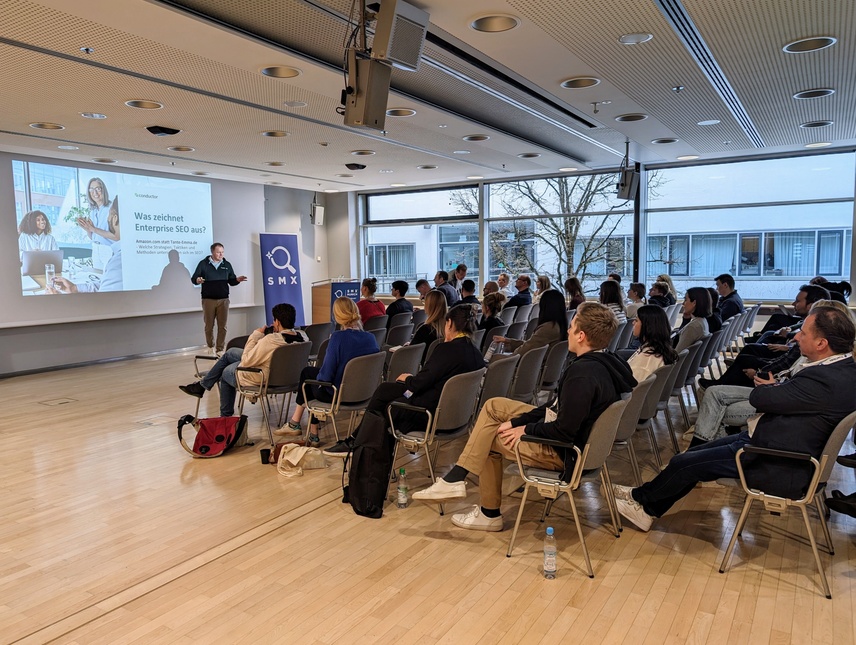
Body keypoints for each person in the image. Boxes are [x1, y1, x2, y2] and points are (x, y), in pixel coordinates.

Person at [614, 305, 856, 532]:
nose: (795, 337)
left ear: (822, 343)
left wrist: (770, 389)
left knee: (683, 464)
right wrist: (775, 389)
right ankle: (643, 502)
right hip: (771, 444)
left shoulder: (822, 379)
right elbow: (781, 396)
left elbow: (760, 399)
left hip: (774, 460)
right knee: (687, 458)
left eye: (803, 333)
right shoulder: (843, 371)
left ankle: (643, 504)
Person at [412, 302, 636, 531]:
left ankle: (488, 513)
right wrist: (516, 421)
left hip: (564, 451)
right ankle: (455, 479)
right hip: (571, 439)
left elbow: (564, 429)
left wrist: (526, 430)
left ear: (581, 335)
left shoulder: (583, 374)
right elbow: (556, 406)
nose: (567, 331)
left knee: (487, 438)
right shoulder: (607, 362)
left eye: (571, 327)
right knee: (493, 406)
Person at [323, 304, 485, 456]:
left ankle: (359, 447)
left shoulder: (446, 350)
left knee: (387, 404)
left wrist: (407, 379)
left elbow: (419, 383)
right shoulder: (476, 354)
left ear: (449, 323)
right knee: (385, 391)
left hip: (428, 414)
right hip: (454, 415)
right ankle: (355, 442)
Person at [178, 302, 308, 419]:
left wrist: (255, 336)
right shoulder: (303, 336)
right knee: (230, 353)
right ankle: (202, 386)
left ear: (278, 322)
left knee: (225, 372)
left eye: (274, 321)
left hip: (266, 377)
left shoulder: (271, 340)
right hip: (290, 377)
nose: (273, 324)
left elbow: (246, 361)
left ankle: (225, 417)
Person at [279, 297, 378, 446]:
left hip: (338, 395)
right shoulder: (371, 338)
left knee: (308, 375)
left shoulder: (338, 338)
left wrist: (320, 375)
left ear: (337, 316)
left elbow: (325, 377)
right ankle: (309, 431)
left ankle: (300, 426)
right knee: (311, 377)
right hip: (363, 394)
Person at [698, 284, 830, 388]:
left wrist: (758, 372)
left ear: (811, 305)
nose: (793, 304)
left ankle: (724, 385)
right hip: (779, 372)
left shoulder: (811, 339)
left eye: (798, 301)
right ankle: (725, 383)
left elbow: (787, 364)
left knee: (748, 355)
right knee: (752, 349)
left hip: (776, 380)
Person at [49, 197, 123, 293]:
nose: (108, 218)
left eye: (109, 214)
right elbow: (107, 283)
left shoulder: (118, 262)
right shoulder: (93, 211)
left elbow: (103, 303)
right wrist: (75, 288)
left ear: (115, 219)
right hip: (97, 249)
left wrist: (59, 300)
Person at [190, 242, 248, 354]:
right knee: (209, 325)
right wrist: (197, 280)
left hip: (223, 300)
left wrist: (237, 280)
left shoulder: (227, 265)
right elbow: (194, 278)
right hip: (208, 300)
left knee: (223, 326)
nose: (221, 254)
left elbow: (231, 281)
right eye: (218, 252)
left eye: (222, 252)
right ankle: (210, 346)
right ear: (212, 252)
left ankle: (220, 349)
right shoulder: (203, 264)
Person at [493, 289, 567, 357]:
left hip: (533, 367)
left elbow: (525, 350)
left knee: (494, 359)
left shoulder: (548, 328)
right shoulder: (559, 325)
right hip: (540, 365)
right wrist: (507, 341)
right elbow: (531, 344)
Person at [626, 305, 679, 382]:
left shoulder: (646, 358)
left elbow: (632, 385)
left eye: (636, 320)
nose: (633, 323)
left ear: (647, 326)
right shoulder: (661, 349)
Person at [76, 177, 117, 270]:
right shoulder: (93, 211)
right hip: (96, 249)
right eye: (91, 189)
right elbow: (93, 237)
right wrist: (87, 229)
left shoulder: (112, 208)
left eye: (98, 189)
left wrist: (93, 229)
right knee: (98, 280)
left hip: (108, 250)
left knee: (108, 282)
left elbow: (116, 236)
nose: (95, 192)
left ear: (103, 190)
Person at [411, 290, 448, 362]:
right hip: (441, 364)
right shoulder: (450, 327)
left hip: (423, 365)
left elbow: (413, 352)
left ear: (429, 306)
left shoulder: (424, 330)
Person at [673, 287, 710, 353]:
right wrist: (685, 321)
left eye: (685, 300)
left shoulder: (692, 327)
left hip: (677, 362)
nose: (683, 303)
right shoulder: (702, 321)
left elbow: (677, 353)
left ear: (694, 303)